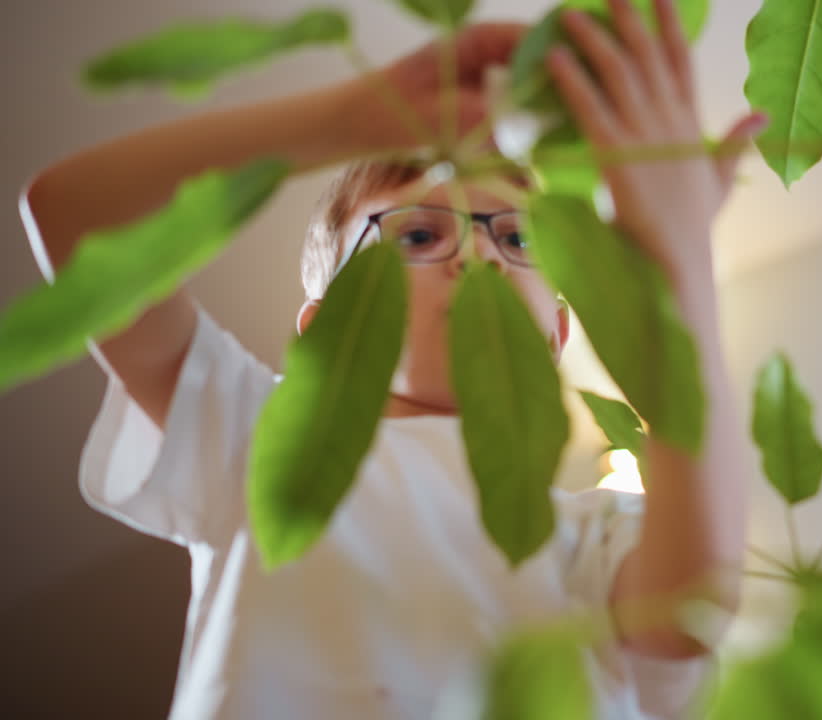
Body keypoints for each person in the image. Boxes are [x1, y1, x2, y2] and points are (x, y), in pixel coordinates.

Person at [20, 0, 765, 717]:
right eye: (416, 235)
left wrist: (681, 267)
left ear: (557, 337)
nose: (479, 252)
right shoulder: (258, 433)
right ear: (321, 331)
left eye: (519, 238)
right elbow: (72, 212)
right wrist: (346, 118)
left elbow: (690, 607)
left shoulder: (599, 533)